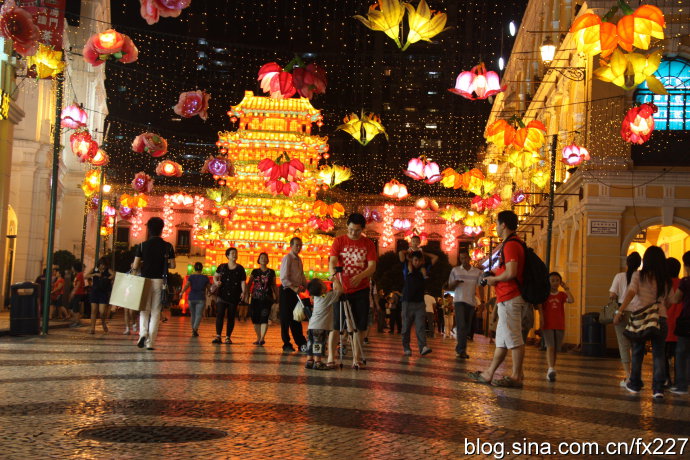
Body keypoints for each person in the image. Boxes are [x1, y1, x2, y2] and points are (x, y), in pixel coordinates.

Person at [468, 210, 526, 388]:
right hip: (505, 298)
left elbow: (511, 272)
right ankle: (488, 373)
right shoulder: (510, 244)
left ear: (504, 225)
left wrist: (493, 279)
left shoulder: (511, 245)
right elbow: (508, 270)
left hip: (511, 296)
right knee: (501, 340)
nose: (496, 227)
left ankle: (517, 376)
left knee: (514, 338)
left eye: (497, 223)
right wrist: (494, 273)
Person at [614, 246, 671, 399]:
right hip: (660, 317)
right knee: (659, 353)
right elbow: (669, 301)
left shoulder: (638, 276)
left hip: (641, 318)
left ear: (646, 260)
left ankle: (635, 384)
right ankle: (658, 388)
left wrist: (620, 311)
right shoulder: (664, 279)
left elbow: (631, 292)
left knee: (638, 351)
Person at [327, 213, 378, 368]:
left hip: (361, 289)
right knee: (336, 325)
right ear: (347, 226)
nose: (353, 233)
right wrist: (335, 280)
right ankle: (331, 357)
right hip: (341, 289)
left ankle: (356, 358)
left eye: (356, 230)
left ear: (362, 229)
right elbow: (332, 262)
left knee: (359, 326)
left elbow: (372, 267)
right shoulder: (339, 241)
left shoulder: (368, 244)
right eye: (350, 230)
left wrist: (360, 276)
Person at [132, 217, 176, 350]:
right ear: (162, 229)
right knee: (156, 311)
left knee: (144, 310)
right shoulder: (168, 246)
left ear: (149, 229)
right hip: (159, 281)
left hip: (144, 280)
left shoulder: (142, 245)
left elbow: (135, 266)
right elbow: (172, 265)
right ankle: (150, 343)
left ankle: (143, 333)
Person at [609, 252, 642, 387]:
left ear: (627, 263)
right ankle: (636, 375)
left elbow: (612, 295)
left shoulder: (619, 276)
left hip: (621, 314)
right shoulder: (642, 277)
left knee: (624, 345)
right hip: (638, 314)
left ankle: (628, 376)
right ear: (639, 264)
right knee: (636, 345)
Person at [448, 249, 485, 359]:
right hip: (459, 301)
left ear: (469, 258)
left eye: (465, 258)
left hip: (471, 302)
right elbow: (450, 286)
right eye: (461, 258)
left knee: (468, 328)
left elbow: (480, 286)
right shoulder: (455, 270)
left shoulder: (477, 272)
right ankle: (461, 350)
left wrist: (482, 302)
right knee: (462, 326)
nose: (463, 260)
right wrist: (455, 283)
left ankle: (461, 347)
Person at [538, 272, 574, 382]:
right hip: (548, 324)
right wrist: (541, 318)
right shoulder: (545, 294)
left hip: (559, 324)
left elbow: (571, 300)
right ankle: (550, 368)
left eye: (557, 280)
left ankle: (552, 368)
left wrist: (566, 288)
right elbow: (540, 306)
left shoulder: (562, 295)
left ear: (560, 282)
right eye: (552, 280)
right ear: (548, 282)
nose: (555, 283)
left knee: (556, 348)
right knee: (550, 346)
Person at [305, 276, 343, 370]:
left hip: (311, 325)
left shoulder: (317, 297)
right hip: (320, 326)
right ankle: (318, 362)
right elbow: (339, 291)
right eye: (322, 283)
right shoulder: (327, 296)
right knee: (318, 343)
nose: (325, 284)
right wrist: (335, 280)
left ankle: (309, 361)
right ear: (322, 289)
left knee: (311, 343)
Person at [401, 251, 432, 356]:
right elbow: (401, 253)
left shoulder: (424, 269)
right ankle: (406, 347)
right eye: (415, 260)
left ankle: (423, 347)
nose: (417, 262)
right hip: (407, 302)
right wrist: (410, 253)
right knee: (406, 327)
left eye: (419, 260)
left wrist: (423, 253)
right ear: (412, 260)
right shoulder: (407, 268)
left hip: (419, 303)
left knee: (421, 326)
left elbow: (435, 258)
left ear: (422, 260)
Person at [279, 238, 308, 352]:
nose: (298, 247)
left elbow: (301, 275)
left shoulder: (299, 259)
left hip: (295, 292)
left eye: (300, 245)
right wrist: (293, 287)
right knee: (286, 318)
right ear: (291, 245)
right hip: (287, 291)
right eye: (296, 245)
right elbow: (283, 278)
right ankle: (286, 343)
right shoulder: (288, 258)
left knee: (296, 317)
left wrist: (305, 286)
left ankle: (301, 343)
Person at [212, 247, 245, 344]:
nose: (235, 255)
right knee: (220, 315)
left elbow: (242, 281)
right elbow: (215, 276)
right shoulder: (222, 267)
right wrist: (216, 282)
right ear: (227, 256)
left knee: (231, 317)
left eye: (236, 253)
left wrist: (243, 292)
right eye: (232, 253)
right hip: (222, 295)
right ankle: (218, 336)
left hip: (234, 296)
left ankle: (227, 337)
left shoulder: (240, 268)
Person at [668, 251, 690, 395]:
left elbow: (676, 299)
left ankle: (681, 384)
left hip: (686, 321)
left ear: (686, 265)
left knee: (682, 352)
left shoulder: (685, 281)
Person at [245, 252, 278, 346]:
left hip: (267, 299)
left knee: (264, 318)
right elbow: (249, 283)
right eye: (261, 257)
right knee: (255, 320)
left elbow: (274, 285)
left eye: (265, 257)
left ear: (267, 260)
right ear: (258, 260)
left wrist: (277, 296)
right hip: (255, 298)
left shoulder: (271, 272)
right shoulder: (254, 271)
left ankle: (262, 338)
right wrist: (247, 294)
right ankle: (258, 337)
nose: (263, 259)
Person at [665, 257, 682, 387]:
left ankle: (666, 379)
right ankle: (679, 381)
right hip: (681, 327)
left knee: (663, 356)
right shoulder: (683, 283)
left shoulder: (663, 284)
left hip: (666, 326)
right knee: (680, 356)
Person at [181, 262, 210, 337]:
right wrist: (210, 292)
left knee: (193, 315)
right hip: (200, 298)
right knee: (198, 315)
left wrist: (182, 292)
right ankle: (194, 328)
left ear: (194, 268)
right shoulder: (205, 278)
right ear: (202, 268)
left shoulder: (191, 277)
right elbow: (209, 288)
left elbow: (187, 285)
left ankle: (194, 330)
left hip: (191, 298)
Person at [85, 258, 113, 334]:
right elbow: (86, 276)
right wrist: (95, 274)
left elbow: (114, 275)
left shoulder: (107, 270)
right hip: (94, 292)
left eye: (104, 265)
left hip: (103, 293)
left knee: (102, 312)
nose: (102, 266)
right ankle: (92, 328)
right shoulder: (94, 269)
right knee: (93, 310)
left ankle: (103, 322)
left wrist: (107, 278)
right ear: (99, 264)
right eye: (101, 265)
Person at [68, 262, 86, 327]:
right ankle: (77, 321)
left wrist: (73, 292)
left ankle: (77, 322)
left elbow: (78, 285)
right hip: (76, 293)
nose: (72, 268)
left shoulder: (79, 275)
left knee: (75, 308)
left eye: (72, 267)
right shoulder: (78, 275)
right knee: (71, 307)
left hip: (78, 293)